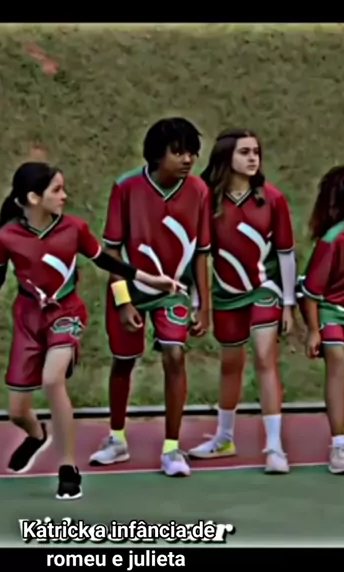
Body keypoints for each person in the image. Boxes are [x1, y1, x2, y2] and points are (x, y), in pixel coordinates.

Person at [0, 161, 183, 500]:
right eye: (57, 190)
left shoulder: (74, 229)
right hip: (28, 319)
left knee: (53, 379)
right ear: (33, 198)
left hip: (66, 313)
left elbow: (106, 260)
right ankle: (36, 435)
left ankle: (67, 467)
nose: (65, 195)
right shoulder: (6, 237)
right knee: (17, 412)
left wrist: (151, 279)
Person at [89, 117, 212, 477]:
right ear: (158, 155)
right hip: (130, 288)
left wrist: (204, 305)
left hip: (172, 292)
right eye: (178, 152)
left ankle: (172, 449)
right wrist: (123, 301)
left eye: (192, 152)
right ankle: (116, 439)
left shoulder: (199, 192)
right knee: (123, 361)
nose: (188, 159)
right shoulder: (126, 187)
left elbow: (202, 253)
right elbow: (111, 251)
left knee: (175, 355)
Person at [187, 129, 296, 474]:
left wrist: (288, 302)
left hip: (266, 290)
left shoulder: (272, 199)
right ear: (226, 157)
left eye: (256, 152)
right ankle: (224, 438)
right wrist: (198, 301)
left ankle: (275, 446)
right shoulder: (208, 201)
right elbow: (199, 255)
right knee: (230, 364)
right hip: (225, 294)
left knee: (265, 358)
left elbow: (286, 252)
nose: (253, 158)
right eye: (244, 152)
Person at [298, 165, 344, 474]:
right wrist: (312, 331)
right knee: (338, 363)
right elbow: (310, 293)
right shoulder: (333, 240)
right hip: (331, 311)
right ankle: (338, 446)